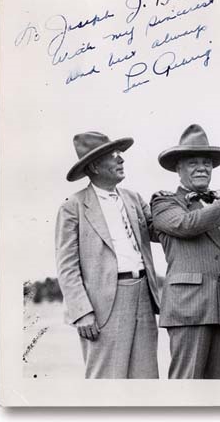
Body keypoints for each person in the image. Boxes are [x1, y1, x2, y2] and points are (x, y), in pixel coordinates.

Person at [55, 131, 161, 379]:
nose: (121, 159)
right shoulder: (73, 206)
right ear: (94, 166)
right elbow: (67, 266)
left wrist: (182, 204)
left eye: (120, 154)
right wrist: (82, 312)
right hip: (103, 305)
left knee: (146, 379)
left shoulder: (134, 198)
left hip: (144, 294)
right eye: (113, 155)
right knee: (106, 382)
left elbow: (160, 231)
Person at [151, 124, 220, 379]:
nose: (202, 167)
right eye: (193, 162)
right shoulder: (164, 202)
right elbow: (186, 225)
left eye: (206, 162)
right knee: (186, 390)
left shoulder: (216, 205)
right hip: (189, 310)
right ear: (178, 169)